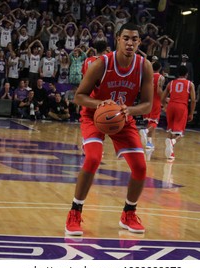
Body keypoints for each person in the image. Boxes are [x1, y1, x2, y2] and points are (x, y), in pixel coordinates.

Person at [65, 23, 153, 236]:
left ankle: (129, 213)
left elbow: (148, 105)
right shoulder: (101, 64)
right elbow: (79, 96)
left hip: (123, 118)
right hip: (95, 116)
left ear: (139, 42)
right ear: (117, 39)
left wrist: (127, 110)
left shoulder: (144, 66)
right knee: (93, 158)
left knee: (140, 168)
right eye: (126, 38)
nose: (130, 43)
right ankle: (75, 212)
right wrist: (102, 105)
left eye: (134, 39)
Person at [163, 65, 196, 161]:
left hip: (171, 106)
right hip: (181, 107)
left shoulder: (171, 83)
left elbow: (162, 97)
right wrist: (191, 113)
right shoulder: (190, 84)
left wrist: (165, 106)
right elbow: (193, 100)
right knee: (179, 133)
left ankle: (170, 154)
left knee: (170, 130)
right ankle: (172, 142)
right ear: (186, 74)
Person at [139, 61, 165, 158]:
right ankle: (145, 131)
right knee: (154, 122)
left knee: (149, 121)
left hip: (147, 100)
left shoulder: (147, 76)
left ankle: (149, 143)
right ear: (160, 68)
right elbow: (158, 90)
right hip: (156, 101)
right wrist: (164, 99)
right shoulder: (161, 77)